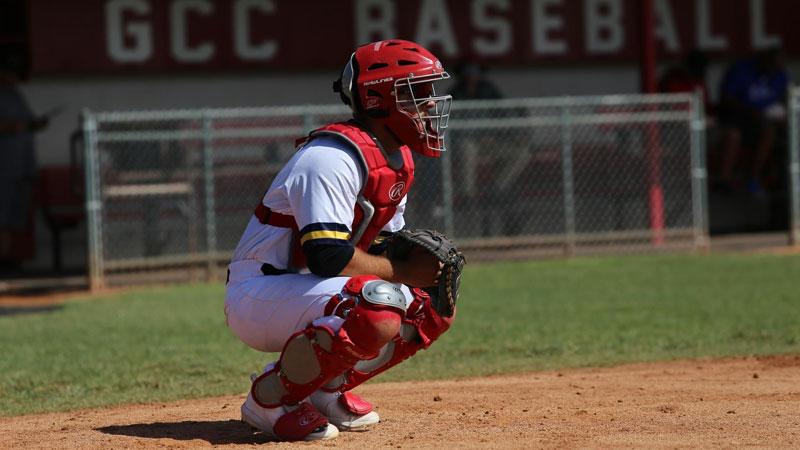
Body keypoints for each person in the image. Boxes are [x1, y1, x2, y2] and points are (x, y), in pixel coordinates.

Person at [224, 40, 455, 441]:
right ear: (378, 99)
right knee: (377, 302)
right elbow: (327, 254)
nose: (431, 104)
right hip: (260, 290)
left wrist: (414, 267)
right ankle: (270, 399)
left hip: (310, 288)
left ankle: (323, 391)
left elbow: (382, 242)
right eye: (417, 92)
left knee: (428, 305)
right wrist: (401, 270)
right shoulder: (330, 157)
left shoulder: (394, 158)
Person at [715, 47, 790, 194]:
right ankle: (728, 181)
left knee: (776, 131)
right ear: (764, 60)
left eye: (777, 67)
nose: (773, 70)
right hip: (736, 117)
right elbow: (727, 99)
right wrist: (752, 112)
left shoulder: (780, 74)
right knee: (735, 135)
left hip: (766, 119)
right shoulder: (742, 70)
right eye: (772, 65)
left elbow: (784, 99)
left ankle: (762, 179)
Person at [0, 63, 47, 273]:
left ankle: (10, 257)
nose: (13, 78)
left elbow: (29, 123)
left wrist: (36, 124)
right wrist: (16, 126)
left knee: (16, 216)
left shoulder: (17, 96)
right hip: (4, 167)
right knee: (2, 215)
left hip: (23, 165)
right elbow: (11, 125)